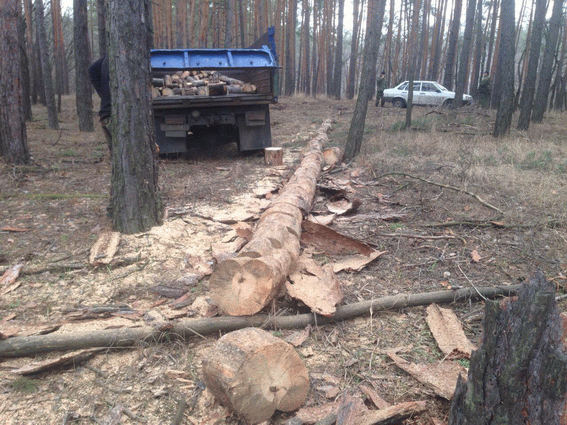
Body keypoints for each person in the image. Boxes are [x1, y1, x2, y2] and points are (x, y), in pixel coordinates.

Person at [88, 56, 112, 148]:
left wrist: (105, 96)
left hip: (105, 115)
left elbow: (92, 70)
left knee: (118, 157)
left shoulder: (109, 57)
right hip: (115, 117)